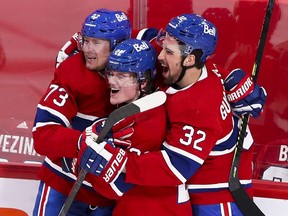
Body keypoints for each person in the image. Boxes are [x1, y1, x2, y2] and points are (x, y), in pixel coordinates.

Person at [82, 14, 267, 215]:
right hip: (191, 191)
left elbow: (173, 167)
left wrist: (121, 162)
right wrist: (76, 45)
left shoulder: (200, 107)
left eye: (168, 52)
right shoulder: (192, 67)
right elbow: (131, 38)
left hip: (217, 197)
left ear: (189, 59)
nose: (160, 56)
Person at [32, 8, 131, 216]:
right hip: (63, 183)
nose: (87, 49)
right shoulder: (72, 72)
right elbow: (42, 134)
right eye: (86, 40)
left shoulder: (136, 69)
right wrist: (81, 142)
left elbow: (150, 38)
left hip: (104, 192)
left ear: (118, 45)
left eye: (96, 43)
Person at [76, 38, 192, 216]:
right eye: (111, 73)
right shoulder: (142, 106)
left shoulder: (149, 121)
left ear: (143, 81)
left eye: (121, 76)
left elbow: (114, 188)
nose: (112, 82)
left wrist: (84, 160)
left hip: (156, 210)